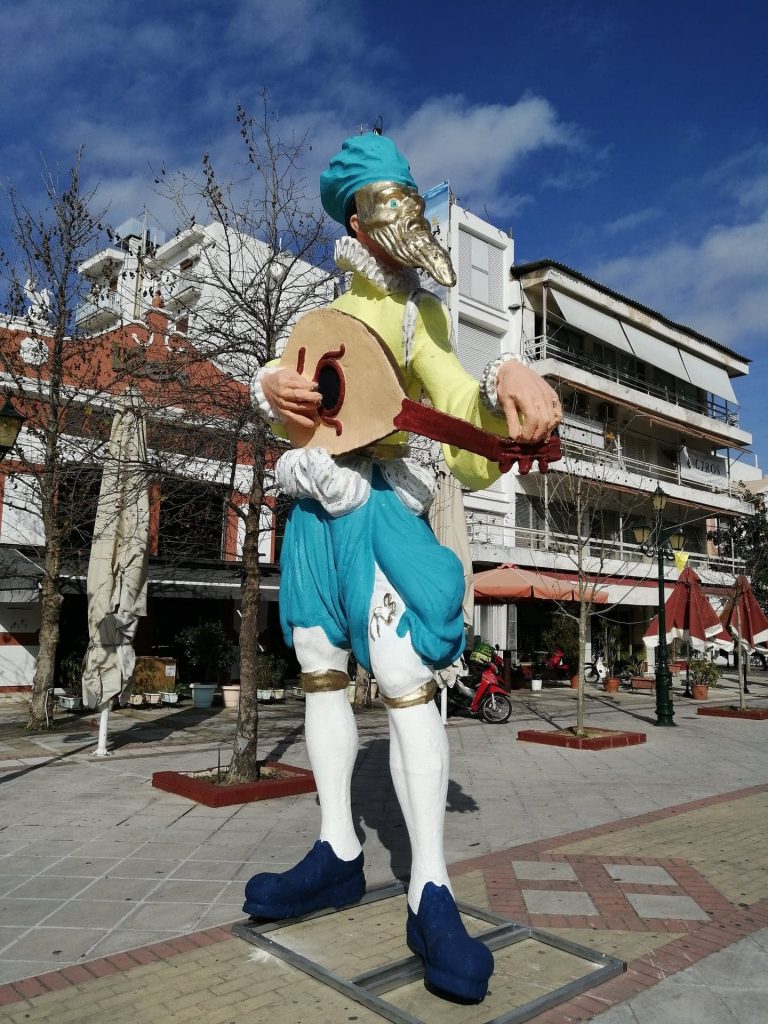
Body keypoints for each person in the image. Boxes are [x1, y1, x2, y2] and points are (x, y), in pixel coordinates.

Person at [245, 133, 562, 1003]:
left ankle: (431, 889)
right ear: (357, 219)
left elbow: (452, 398)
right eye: (390, 201)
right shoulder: (322, 309)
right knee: (319, 674)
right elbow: (290, 386)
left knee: (403, 680)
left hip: (378, 510)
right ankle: (337, 848)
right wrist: (267, 388)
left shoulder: (423, 316)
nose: (407, 218)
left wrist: (505, 378)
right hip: (312, 516)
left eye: (412, 200)